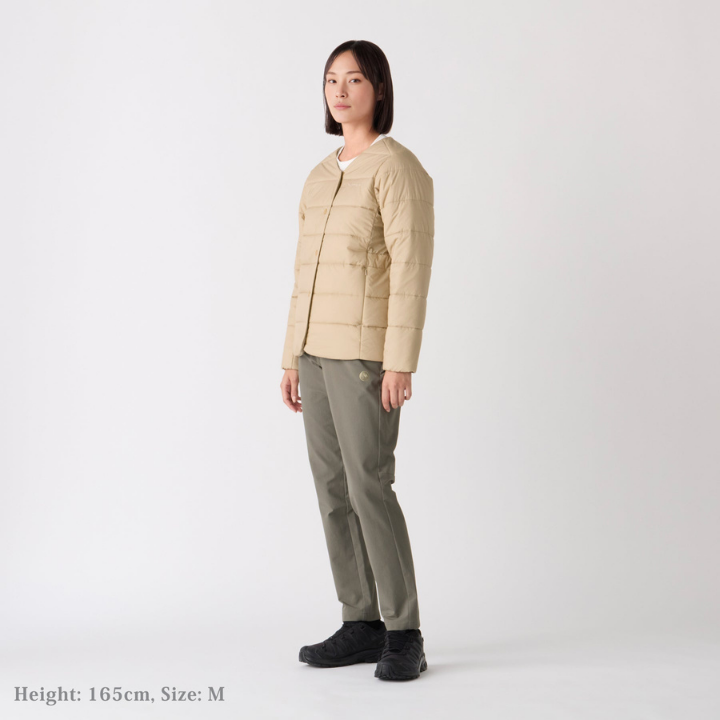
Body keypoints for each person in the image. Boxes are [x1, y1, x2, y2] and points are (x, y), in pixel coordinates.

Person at [279, 40, 434, 682]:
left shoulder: (397, 168)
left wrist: (400, 361)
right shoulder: (320, 175)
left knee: (370, 485)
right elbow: (303, 273)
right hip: (314, 355)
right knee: (332, 488)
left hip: (366, 356)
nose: (340, 92)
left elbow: (411, 271)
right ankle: (362, 621)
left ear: (379, 90)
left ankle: (405, 631)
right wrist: (291, 355)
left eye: (355, 80)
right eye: (331, 80)